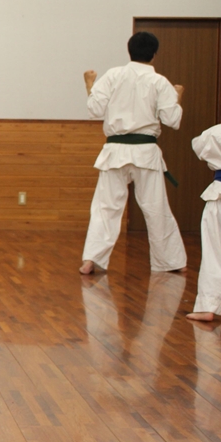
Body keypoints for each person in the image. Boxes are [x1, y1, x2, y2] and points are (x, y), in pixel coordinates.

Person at [80, 32, 187, 275]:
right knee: (156, 207)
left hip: (115, 151)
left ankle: (92, 260)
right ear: (154, 53)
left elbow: (95, 109)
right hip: (145, 153)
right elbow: (172, 120)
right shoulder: (160, 82)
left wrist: (89, 85)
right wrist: (178, 96)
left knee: (106, 208)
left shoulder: (113, 75)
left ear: (129, 50)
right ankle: (170, 261)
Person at [186, 80, 221, 321]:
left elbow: (198, 148)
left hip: (217, 197)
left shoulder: (213, 133)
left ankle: (206, 306)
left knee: (213, 254)